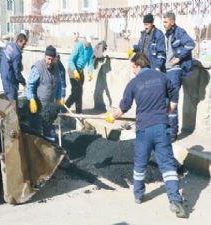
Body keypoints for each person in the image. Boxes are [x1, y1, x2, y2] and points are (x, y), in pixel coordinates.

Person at [105, 53, 186, 218]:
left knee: (140, 163)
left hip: (144, 129)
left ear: (137, 65)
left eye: (132, 68)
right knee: (167, 164)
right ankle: (175, 200)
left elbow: (123, 107)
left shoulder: (134, 83)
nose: (132, 71)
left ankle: (138, 194)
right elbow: (174, 94)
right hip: (162, 127)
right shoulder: (162, 77)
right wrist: (168, 110)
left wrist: (112, 116)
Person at [163, 12, 195, 141]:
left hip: (176, 71)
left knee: (172, 101)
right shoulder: (168, 34)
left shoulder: (179, 32)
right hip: (169, 71)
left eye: (165, 22)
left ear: (172, 21)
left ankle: (172, 133)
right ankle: (168, 129)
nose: (164, 24)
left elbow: (191, 44)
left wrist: (178, 58)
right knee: (167, 101)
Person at [26, 45, 63, 141]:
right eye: (48, 59)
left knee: (50, 133)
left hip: (49, 107)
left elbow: (59, 84)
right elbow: (30, 85)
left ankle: (50, 150)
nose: (50, 62)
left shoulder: (56, 68)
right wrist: (31, 99)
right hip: (37, 106)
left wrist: (59, 98)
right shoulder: (37, 67)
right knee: (36, 132)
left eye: (52, 59)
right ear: (45, 57)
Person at [65, 35, 94, 114]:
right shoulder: (79, 46)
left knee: (76, 92)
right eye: (87, 42)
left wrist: (90, 72)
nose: (88, 44)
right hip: (73, 68)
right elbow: (70, 60)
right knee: (79, 91)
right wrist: (74, 71)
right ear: (84, 39)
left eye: (90, 42)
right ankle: (78, 112)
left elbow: (90, 63)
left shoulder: (91, 49)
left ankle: (64, 107)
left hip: (80, 70)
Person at [0, 33, 28, 100]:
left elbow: (1, 55)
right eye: (23, 44)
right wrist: (23, 82)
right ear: (18, 41)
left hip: (4, 76)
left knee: (7, 102)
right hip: (10, 81)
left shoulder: (9, 45)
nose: (24, 46)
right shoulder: (17, 54)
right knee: (12, 104)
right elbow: (17, 72)